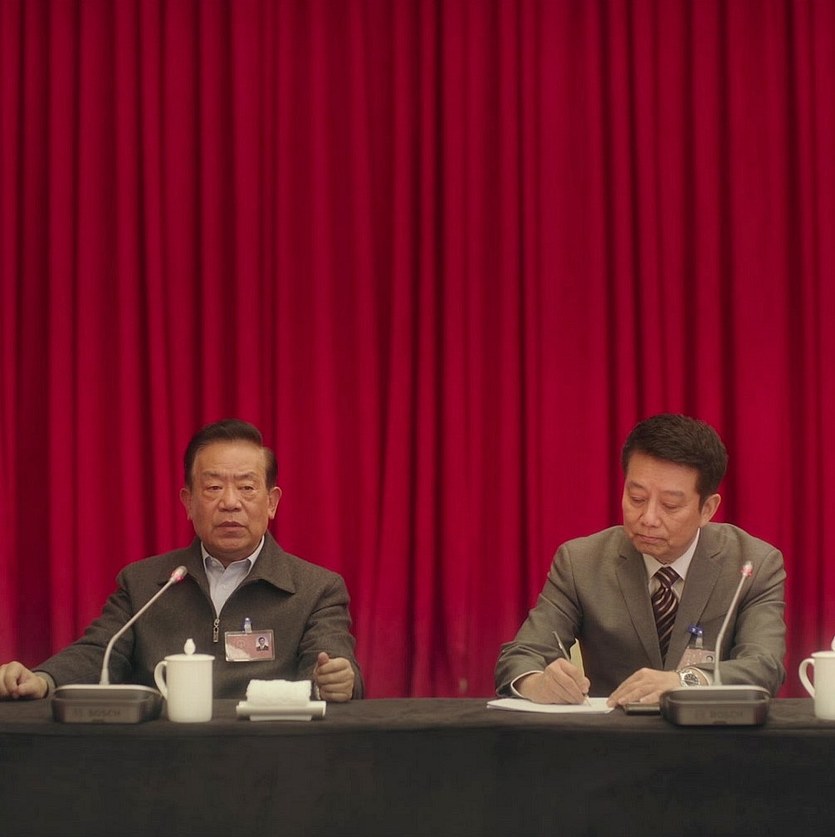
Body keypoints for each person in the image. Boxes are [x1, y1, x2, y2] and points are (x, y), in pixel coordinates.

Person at [0, 419, 363, 702]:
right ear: (188, 502)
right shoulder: (144, 584)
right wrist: (43, 679)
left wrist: (338, 680)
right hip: (164, 758)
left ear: (271, 503)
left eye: (246, 487)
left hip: (267, 756)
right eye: (214, 487)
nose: (230, 502)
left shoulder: (316, 589)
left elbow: (332, 664)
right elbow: (100, 653)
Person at [495, 413, 786, 706]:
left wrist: (685, 680)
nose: (648, 518)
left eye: (670, 505)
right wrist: (538, 683)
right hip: (613, 731)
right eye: (636, 498)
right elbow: (521, 657)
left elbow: (764, 666)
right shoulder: (580, 563)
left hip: (710, 731)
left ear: (707, 509)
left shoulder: (752, 565)